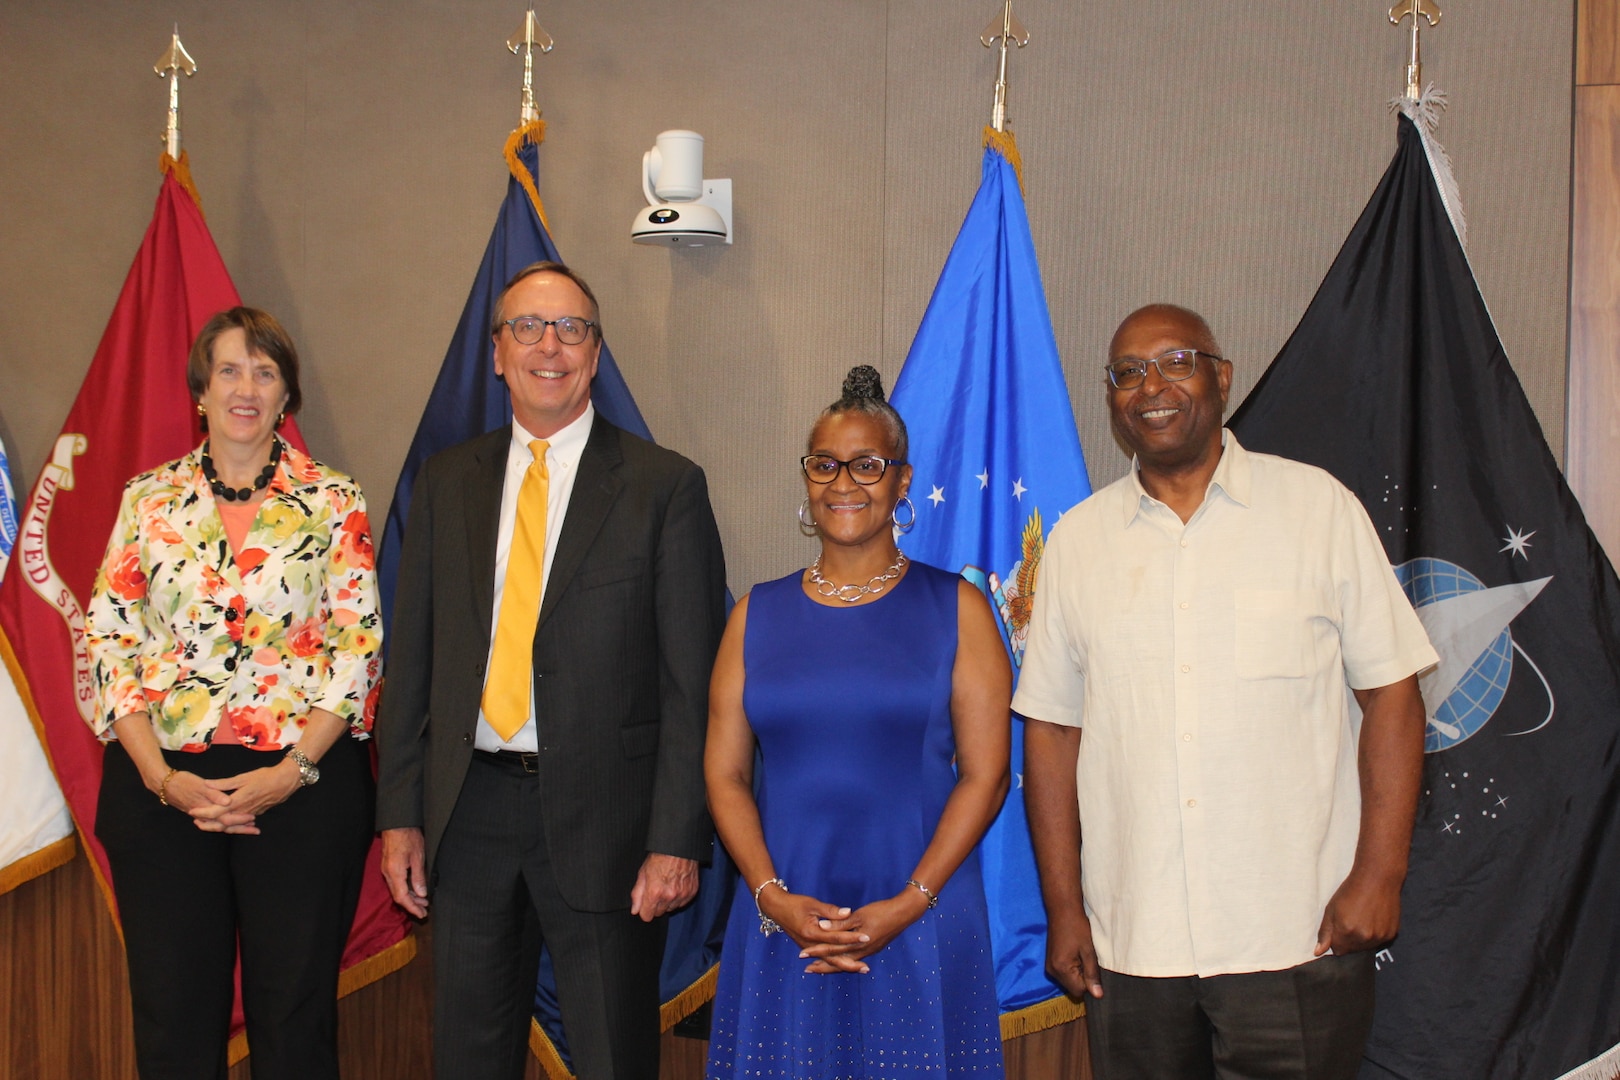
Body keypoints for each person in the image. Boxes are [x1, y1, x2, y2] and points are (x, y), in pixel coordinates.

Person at [1016, 304, 1439, 1080]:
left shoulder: (1318, 510)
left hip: (1296, 935)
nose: (1152, 386)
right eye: (1128, 372)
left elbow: (1394, 695)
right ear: (1111, 398)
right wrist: (1065, 907)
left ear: (1221, 376)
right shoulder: (1077, 543)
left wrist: (1380, 875)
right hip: (1132, 945)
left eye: (1176, 361)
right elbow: (1051, 731)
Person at [374, 261, 728, 1080]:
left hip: (607, 819)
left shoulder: (662, 486)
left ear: (595, 353)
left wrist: (677, 837)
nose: (549, 346)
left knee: (612, 1057)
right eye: (527, 327)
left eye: (571, 329)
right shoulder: (446, 482)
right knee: (468, 1058)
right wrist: (400, 815)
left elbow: (691, 685)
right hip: (469, 814)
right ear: (496, 352)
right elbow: (415, 660)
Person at [85, 306, 383, 1080]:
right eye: (228, 370)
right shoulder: (148, 500)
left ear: (287, 396)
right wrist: (163, 780)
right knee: (173, 1015)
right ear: (200, 390)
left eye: (265, 371)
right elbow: (109, 640)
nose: (245, 388)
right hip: (163, 791)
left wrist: (290, 775)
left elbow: (358, 647)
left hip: (303, 789)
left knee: (295, 1016)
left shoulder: (332, 499)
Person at [704, 365, 1012, 1078]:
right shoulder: (756, 613)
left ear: (903, 482)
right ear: (807, 480)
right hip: (783, 913)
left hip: (921, 908)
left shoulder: (958, 609)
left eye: (867, 465)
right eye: (825, 465)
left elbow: (987, 774)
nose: (844, 482)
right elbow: (722, 774)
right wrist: (770, 896)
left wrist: (910, 901)